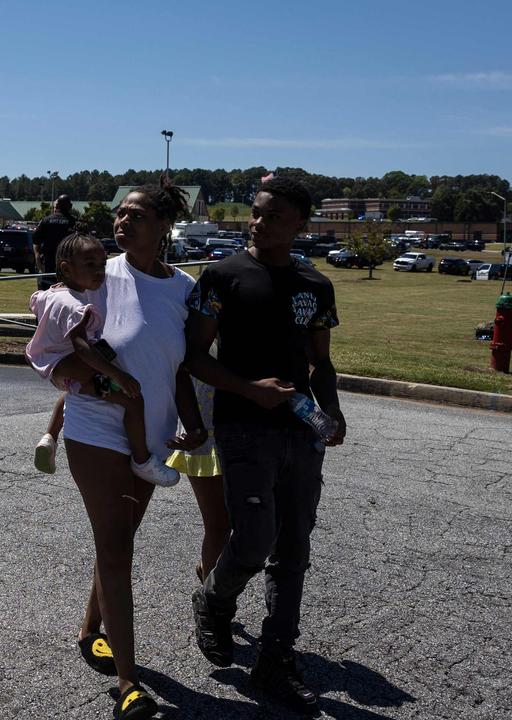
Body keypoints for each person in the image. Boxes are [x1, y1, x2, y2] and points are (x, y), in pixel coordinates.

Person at [186, 177, 345, 713]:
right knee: (253, 540)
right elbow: (195, 357)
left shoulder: (315, 285)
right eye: (256, 213)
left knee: (294, 546)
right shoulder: (223, 276)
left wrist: (331, 413)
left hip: (301, 430)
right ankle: (213, 601)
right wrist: (248, 389)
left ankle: (276, 660)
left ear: (301, 223)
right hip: (242, 427)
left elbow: (319, 362)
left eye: (274, 216)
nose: (259, 222)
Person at [62, 180, 206, 720]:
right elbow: (57, 355)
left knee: (118, 541)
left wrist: (192, 425)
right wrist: (107, 387)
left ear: (165, 225)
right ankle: (128, 684)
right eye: (120, 214)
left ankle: (89, 630)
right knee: (118, 550)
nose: (122, 222)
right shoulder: (99, 277)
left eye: (136, 215)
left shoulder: (183, 289)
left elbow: (183, 368)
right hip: (97, 431)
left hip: (153, 440)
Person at [26, 233, 181, 487]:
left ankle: (50, 436)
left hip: (57, 367)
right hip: (78, 369)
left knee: (68, 391)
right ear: (66, 268)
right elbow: (81, 346)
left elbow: (40, 311)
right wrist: (116, 374)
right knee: (133, 399)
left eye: (102, 265)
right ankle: (142, 460)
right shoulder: (77, 306)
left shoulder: (51, 294)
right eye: (90, 265)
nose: (100, 272)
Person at [165, 374, 230, 585]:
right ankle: (212, 606)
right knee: (219, 524)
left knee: (250, 523)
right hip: (203, 430)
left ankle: (209, 571)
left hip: (247, 428)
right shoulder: (195, 340)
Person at [33, 195, 75, 291]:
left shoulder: (46, 221)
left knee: (45, 298)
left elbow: (35, 240)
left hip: (47, 267)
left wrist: (38, 259)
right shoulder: (74, 222)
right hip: (68, 269)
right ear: (70, 206)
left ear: (57, 205)